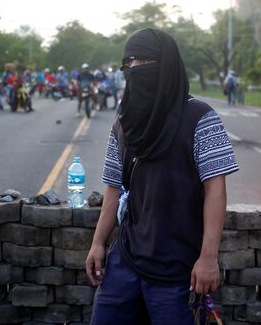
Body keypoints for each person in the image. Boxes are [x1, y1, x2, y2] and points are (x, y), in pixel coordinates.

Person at [87, 28, 239, 325]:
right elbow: (112, 189)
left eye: (142, 61)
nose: (133, 69)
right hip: (125, 260)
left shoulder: (201, 117)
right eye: (128, 63)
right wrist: (97, 243)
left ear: (165, 65)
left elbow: (216, 191)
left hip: (177, 268)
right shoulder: (123, 123)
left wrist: (208, 258)